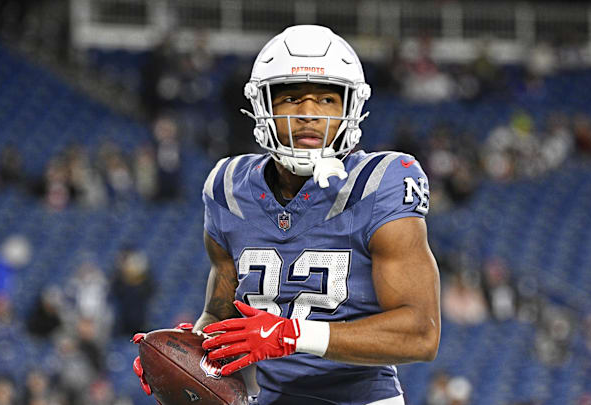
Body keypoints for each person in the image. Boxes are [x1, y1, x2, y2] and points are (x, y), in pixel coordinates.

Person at [134, 25, 440, 405]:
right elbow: (220, 313)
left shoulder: (381, 182)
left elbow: (420, 334)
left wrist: (293, 335)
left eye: (328, 100)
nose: (309, 114)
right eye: (291, 98)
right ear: (264, 106)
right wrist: (187, 357)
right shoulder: (229, 187)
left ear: (352, 108)